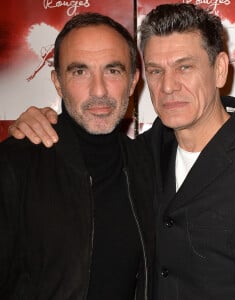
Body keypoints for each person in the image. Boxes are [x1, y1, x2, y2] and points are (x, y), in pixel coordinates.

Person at [9, 3, 235, 300]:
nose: (169, 86)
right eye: (156, 70)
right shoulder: (143, 153)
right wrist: (35, 123)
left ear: (220, 70)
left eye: (184, 67)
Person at [0, 12, 155, 300]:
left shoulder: (149, 164)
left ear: (133, 81)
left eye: (113, 70)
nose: (99, 90)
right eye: (80, 71)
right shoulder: (13, 166)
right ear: (58, 82)